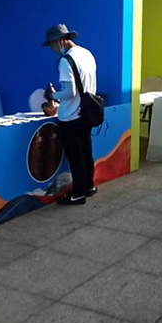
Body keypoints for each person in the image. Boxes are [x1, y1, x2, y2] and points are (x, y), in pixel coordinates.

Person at [43, 24, 98, 205]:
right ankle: (89, 186)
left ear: (60, 41)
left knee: (76, 157)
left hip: (71, 116)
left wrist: (52, 95)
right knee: (86, 152)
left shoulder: (66, 60)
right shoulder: (87, 54)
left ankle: (78, 194)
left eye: (52, 45)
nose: (52, 49)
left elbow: (70, 92)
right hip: (87, 112)